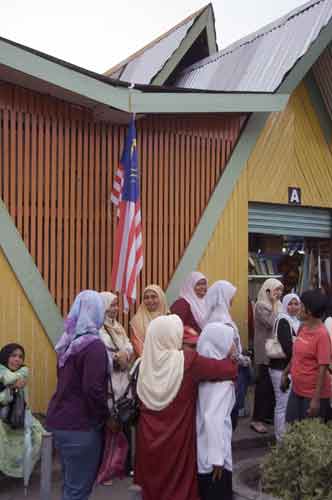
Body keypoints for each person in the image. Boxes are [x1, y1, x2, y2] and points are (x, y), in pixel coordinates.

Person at [134, 314, 238, 500]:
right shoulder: (185, 361)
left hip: (148, 439)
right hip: (177, 439)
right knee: (177, 488)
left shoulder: (142, 364)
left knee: (153, 487)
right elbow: (228, 370)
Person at [46, 290, 109, 500]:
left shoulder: (68, 343)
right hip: (81, 425)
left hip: (60, 421)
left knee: (70, 486)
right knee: (78, 490)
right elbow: (93, 389)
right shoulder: (94, 346)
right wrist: (104, 416)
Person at [203, 280, 251, 430]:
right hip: (228, 375)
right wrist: (245, 361)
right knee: (228, 417)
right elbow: (232, 353)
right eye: (231, 296)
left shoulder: (212, 318)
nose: (233, 300)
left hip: (216, 375)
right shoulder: (223, 321)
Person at [97, 291, 134, 485]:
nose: (114, 309)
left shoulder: (117, 326)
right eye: (111, 305)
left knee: (122, 420)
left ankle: (121, 465)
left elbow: (128, 344)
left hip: (121, 381)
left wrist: (126, 354)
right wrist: (116, 358)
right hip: (109, 381)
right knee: (108, 424)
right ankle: (105, 468)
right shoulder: (97, 327)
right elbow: (99, 353)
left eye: (116, 305)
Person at [197, 323, 236, 500]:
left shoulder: (206, 375)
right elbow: (213, 418)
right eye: (230, 340)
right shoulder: (223, 380)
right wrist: (218, 459)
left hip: (203, 455)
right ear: (220, 344)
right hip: (216, 460)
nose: (234, 345)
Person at [283, 289, 332, 423]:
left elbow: (323, 367)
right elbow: (296, 355)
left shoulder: (322, 335)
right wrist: (285, 373)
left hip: (313, 395)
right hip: (297, 389)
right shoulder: (302, 328)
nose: (298, 308)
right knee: (291, 427)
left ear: (309, 311)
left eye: (301, 305)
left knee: (308, 436)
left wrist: (316, 400)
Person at [0, 343, 44, 479]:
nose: (17, 359)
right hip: (2, 419)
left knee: (39, 435)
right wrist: (11, 387)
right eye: (13, 356)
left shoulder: (22, 373)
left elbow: (21, 399)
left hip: (16, 416)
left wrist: (12, 385)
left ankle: (18, 469)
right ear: (5, 356)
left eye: (20, 356)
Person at [251, 278, 284, 434]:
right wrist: (272, 303)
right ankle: (256, 419)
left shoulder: (279, 305)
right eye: (275, 290)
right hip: (265, 351)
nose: (278, 293)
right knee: (263, 384)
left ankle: (268, 416)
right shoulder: (261, 306)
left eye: (280, 290)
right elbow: (273, 322)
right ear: (267, 290)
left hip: (276, 351)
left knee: (272, 385)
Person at [268, 293, 301, 441]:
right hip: (280, 369)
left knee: (286, 403)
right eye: (290, 304)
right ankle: (281, 439)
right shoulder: (283, 320)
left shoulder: (295, 321)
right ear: (285, 304)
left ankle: (285, 437)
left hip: (289, 368)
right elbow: (287, 347)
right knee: (282, 404)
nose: (293, 307)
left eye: (296, 304)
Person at [130, 285, 168, 357]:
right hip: (146, 361)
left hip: (167, 360)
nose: (150, 300)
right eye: (146, 298)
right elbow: (138, 347)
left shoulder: (169, 318)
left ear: (161, 298)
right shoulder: (137, 321)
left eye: (153, 297)